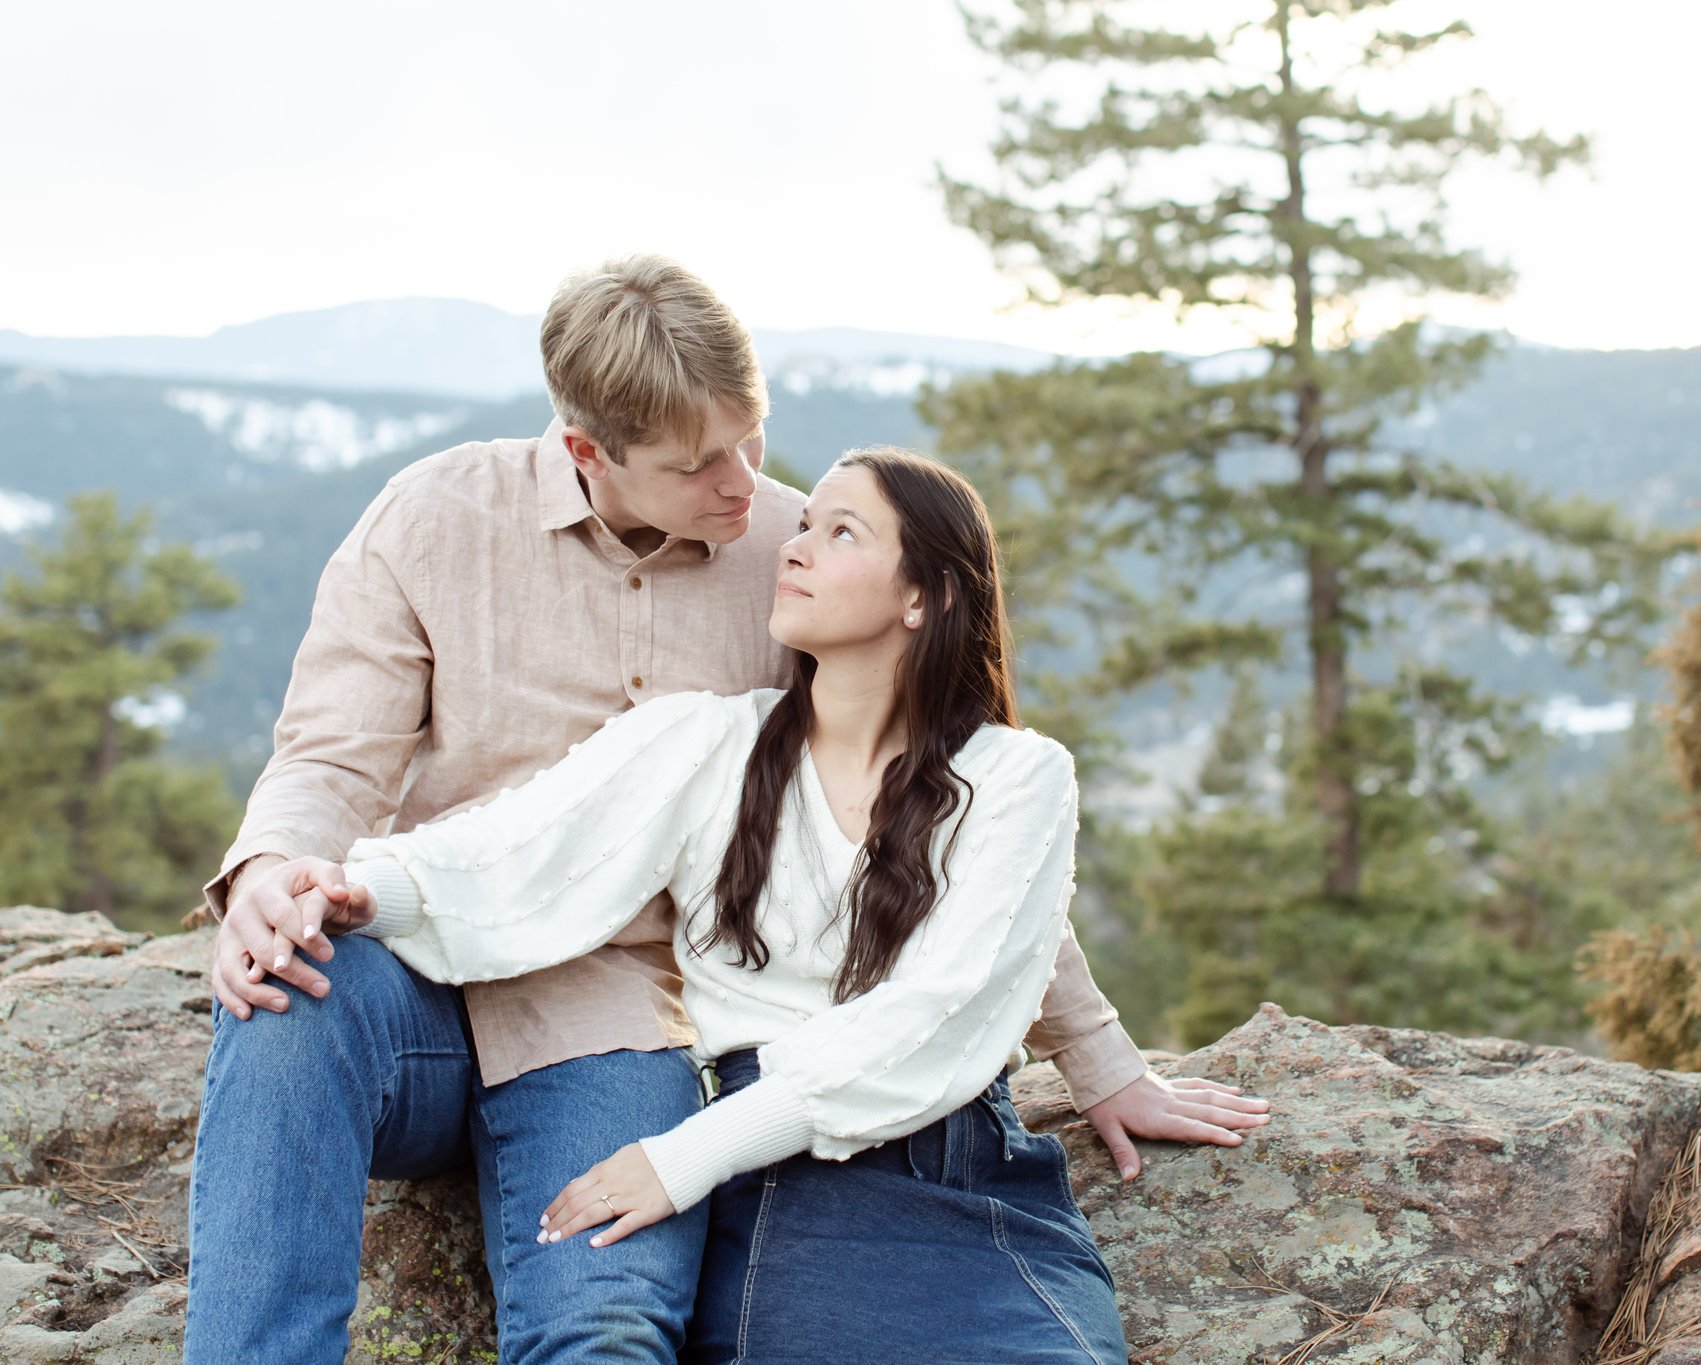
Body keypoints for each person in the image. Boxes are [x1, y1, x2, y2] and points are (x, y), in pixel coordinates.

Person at [187, 255, 1268, 1363]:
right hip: (419, 969)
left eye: (750, 436)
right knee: (283, 988)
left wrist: (1102, 1065)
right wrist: (276, 872)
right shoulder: (436, 518)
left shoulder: (797, 557)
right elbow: (330, 753)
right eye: (697, 464)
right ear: (585, 452)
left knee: (599, 1329)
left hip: (611, 1022)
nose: (744, 487)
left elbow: (950, 827)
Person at [300, 447, 1128, 1360]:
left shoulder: (1018, 776)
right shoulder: (709, 744)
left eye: (840, 532)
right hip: (785, 1180)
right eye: (803, 523)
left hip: (971, 1174)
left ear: (922, 596)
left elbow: (953, 1000)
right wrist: (355, 889)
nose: (795, 548)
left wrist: (681, 1156)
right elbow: (517, 854)